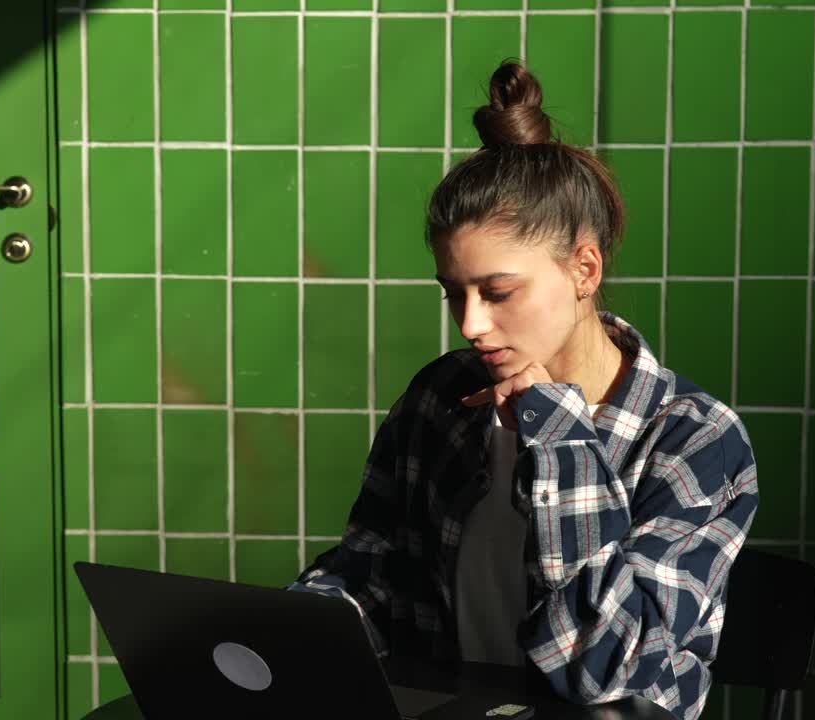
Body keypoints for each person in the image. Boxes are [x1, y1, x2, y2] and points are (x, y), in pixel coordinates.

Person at [289, 62, 759, 720]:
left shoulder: (694, 439)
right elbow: (374, 574)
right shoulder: (443, 398)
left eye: (499, 292)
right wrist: (290, 638)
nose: (470, 325)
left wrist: (561, 439)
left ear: (584, 269)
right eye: (455, 294)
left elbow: (602, 667)